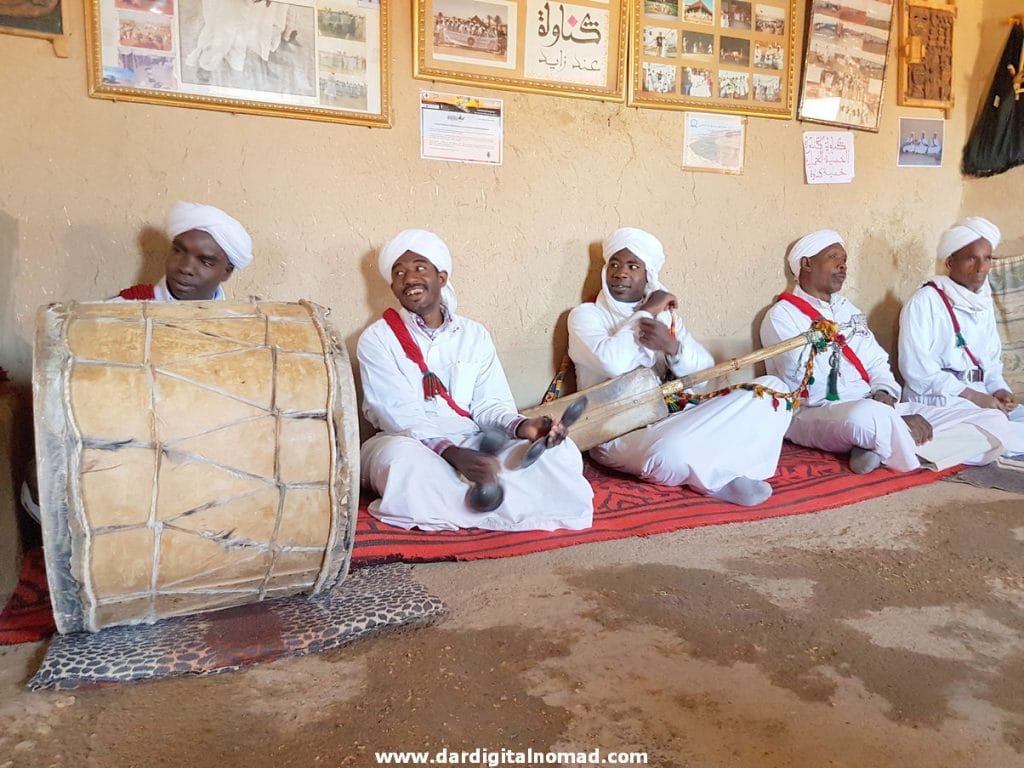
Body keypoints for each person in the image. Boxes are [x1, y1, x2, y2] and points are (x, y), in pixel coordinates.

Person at [357, 229, 594, 532]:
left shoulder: (474, 335)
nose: (409, 279)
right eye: (399, 273)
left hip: (472, 440)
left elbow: (489, 403)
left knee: (560, 454)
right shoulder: (377, 339)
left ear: (441, 277)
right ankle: (499, 502)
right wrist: (453, 454)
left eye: (419, 268)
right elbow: (395, 413)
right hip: (408, 442)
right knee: (405, 466)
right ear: (393, 286)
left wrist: (523, 426)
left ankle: (469, 502)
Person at [567, 228, 792, 506]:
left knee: (773, 392)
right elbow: (614, 363)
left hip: (675, 416)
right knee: (668, 452)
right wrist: (646, 312)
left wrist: (673, 348)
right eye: (614, 264)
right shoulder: (586, 315)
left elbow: (703, 373)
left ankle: (714, 469)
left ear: (648, 275)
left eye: (632, 266)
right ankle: (718, 479)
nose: (621, 272)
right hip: (617, 435)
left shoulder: (667, 317)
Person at [760, 229, 1008, 474]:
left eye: (845, 260)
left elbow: (877, 362)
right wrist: (884, 412)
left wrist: (885, 393)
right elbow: (811, 389)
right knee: (866, 417)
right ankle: (898, 443)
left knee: (993, 420)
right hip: (816, 413)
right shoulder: (782, 317)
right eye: (834, 258)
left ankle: (883, 448)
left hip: (877, 406)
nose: (843, 266)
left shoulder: (849, 311)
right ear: (806, 263)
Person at [899, 217, 1024, 454]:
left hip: (979, 394)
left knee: (1014, 418)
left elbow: (991, 360)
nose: (981, 268)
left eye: (987, 258)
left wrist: (998, 389)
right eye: (971, 258)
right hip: (938, 396)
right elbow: (916, 371)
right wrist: (972, 396)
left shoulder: (982, 302)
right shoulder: (925, 302)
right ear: (949, 262)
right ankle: (910, 445)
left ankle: (939, 446)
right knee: (996, 424)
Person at [115, 201, 253, 301]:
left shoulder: (245, 330)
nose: (185, 268)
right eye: (178, 251)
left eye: (205, 262)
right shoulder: (120, 312)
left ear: (226, 271)